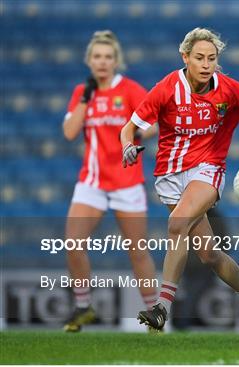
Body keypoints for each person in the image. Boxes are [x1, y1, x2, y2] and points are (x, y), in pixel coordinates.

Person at [121, 27, 239, 340]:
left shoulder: (229, 89)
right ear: (185, 58)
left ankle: (161, 307)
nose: (206, 64)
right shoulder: (167, 88)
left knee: (177, 225)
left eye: (212, 58)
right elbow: (130, 127)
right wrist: (127, 144)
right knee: (209, 254)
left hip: (208, 169)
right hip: (169, 175)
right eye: (200, 58)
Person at [62, 30, 157, 332]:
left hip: (127, 181)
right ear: (89, 61)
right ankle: (82, 306)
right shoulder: (82, 92)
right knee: (72, 243)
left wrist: (134, 137)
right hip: (92, 181)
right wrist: (86, 99)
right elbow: (69, 132)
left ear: (117, 61)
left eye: (108, 57)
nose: (102, 62)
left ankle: (155, 314)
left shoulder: (129, 90)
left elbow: (153, 124)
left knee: (137, 251)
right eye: (97, 57)